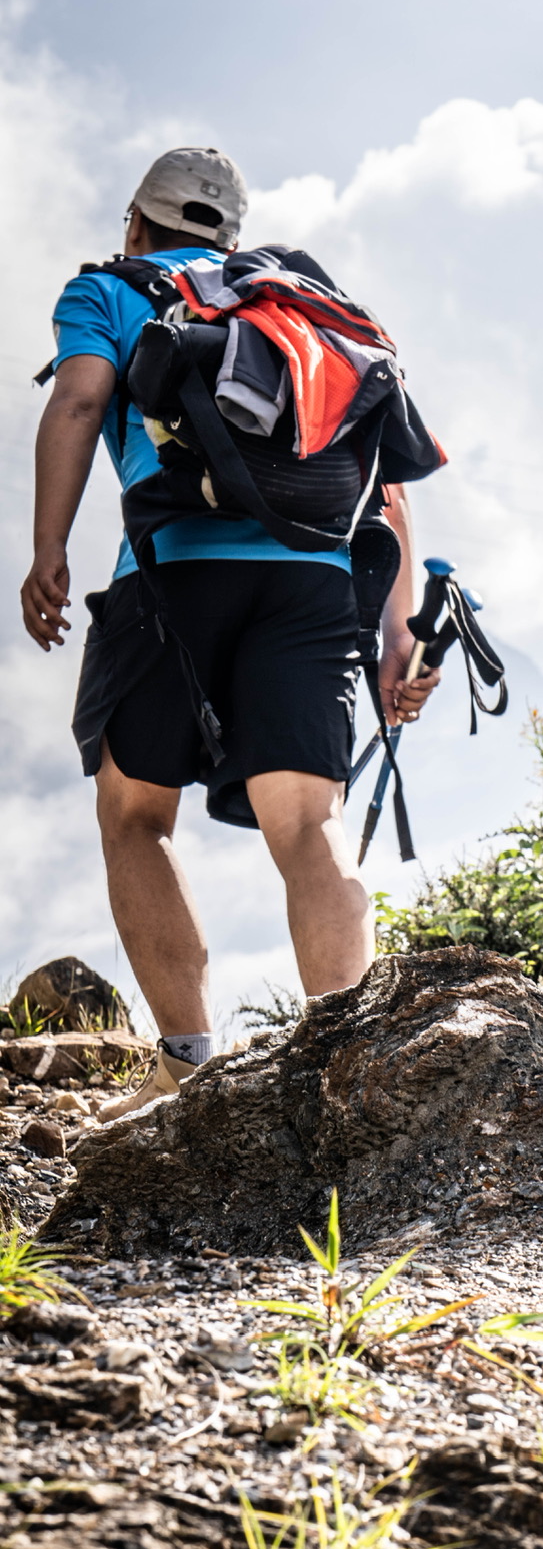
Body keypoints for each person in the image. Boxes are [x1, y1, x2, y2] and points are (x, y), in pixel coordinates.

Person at [21, 147, 439, 1119]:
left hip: (172, 579)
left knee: (136, 815)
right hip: (311, 582)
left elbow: (80, 398)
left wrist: (48, 547)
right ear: (231, 240)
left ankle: (187, 1066)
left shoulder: (112, 289)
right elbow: (385, 474)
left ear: (137, 224)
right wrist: (397, 632)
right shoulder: (298, 305)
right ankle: (348, 1079)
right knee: (308, 822)